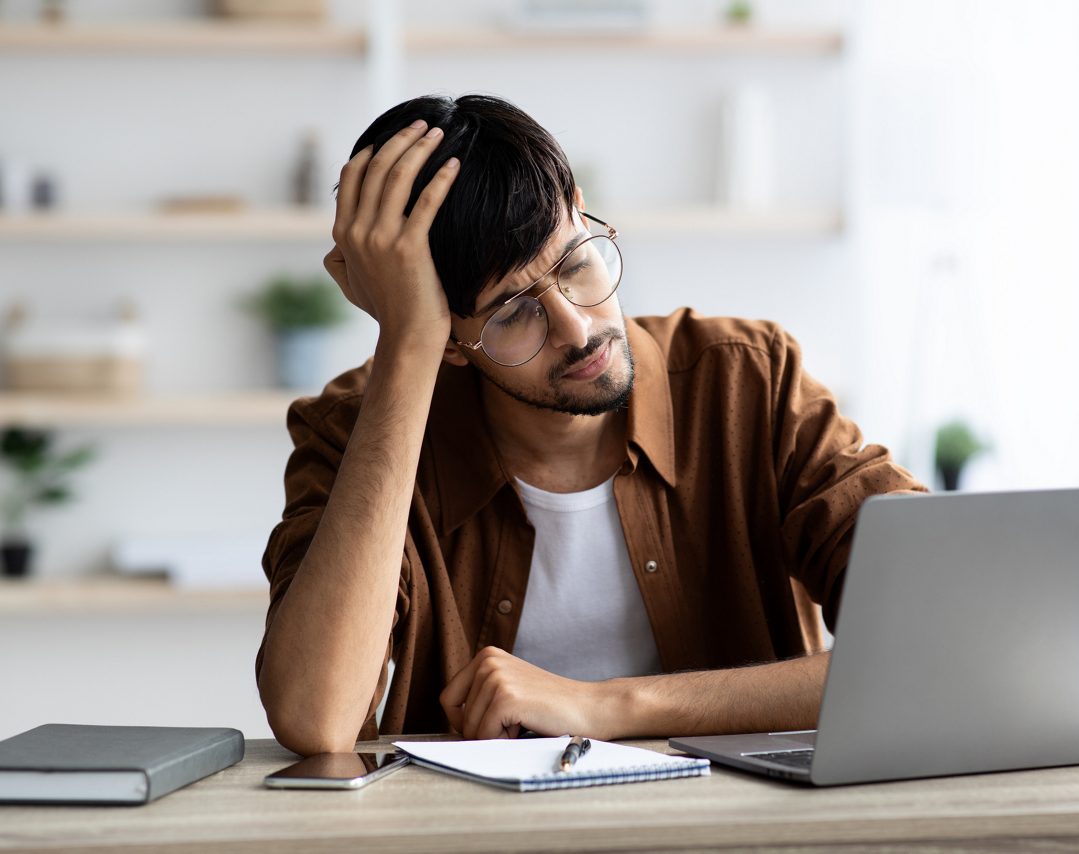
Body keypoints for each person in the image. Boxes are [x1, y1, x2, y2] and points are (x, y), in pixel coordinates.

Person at [255, 95, 926, 756]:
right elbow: (318, 716)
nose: (577, 328)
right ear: (453, 340)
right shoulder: (356, 429)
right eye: (512, 314)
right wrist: (407, 344)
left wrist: (607, 704)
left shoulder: (749, 380)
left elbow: (944, 639)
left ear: (579, 209)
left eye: (576, 264)